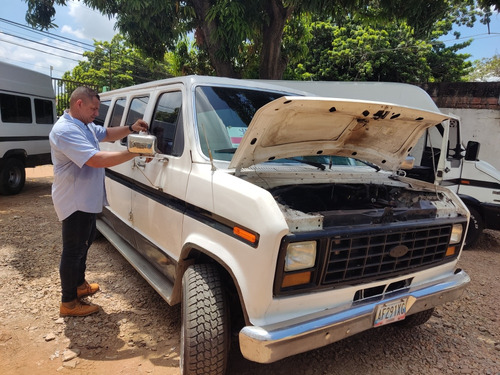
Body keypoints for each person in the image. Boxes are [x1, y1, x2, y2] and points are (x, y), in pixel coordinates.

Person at [49, 86, 148, 317]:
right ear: (79, 104)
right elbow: (95, 159)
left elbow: (107, 133)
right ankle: (68, 302)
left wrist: (131, 128)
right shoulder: (65, 130)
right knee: (73, 249)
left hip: (86, 198)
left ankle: (79, 284)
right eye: (93, 108)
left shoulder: (84, 125)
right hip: (74, 200)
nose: (97, 113)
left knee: (86, 241)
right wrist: (135, 151)